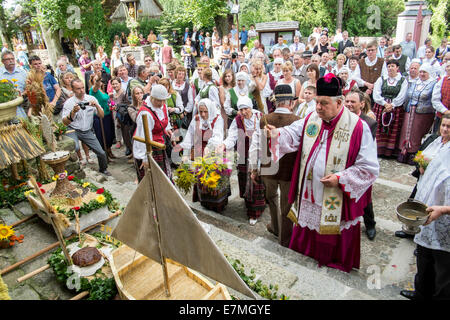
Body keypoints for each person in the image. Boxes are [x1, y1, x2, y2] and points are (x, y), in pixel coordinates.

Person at [264, 74, 379, 272]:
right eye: (317, 102)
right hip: (309, 193)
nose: (318, 108)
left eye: (324, 103)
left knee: (330, 238)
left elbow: (369, 167)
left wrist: (340, 178)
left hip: (335, 196)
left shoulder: (358, 127)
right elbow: (293, 133)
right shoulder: (312, 118)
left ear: (339, 102)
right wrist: (277, 134)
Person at [399, 115, 450, 300]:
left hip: (445, 221)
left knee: (443, 271)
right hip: (429, 212)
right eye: (444, 125)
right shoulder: (440, 144)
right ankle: (421, 293)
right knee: (424, 259)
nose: (445, 129)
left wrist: (444, 210)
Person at [249, 84, 300, 246]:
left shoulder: (265, 120)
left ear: (275, 102)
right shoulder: (299, 122)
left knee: (271, 198)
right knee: (287, 204)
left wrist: (254, 169)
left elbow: (255, 146)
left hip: (268, 168)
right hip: (289, 170)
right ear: (291, 103)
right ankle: (284, 237)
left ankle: (275, 227)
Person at [218, 96, 266, 225]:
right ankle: (251, 209)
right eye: (241, 110)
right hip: (243, 155)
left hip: (258, 155)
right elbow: (232, 136)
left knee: (257, 182)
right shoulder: (238, 120)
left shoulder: (261, 117)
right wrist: (224, 144)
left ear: (251, 107)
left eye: (246, 109)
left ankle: (257, 208)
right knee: (246, 181)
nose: (244, 112)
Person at [176, 98, 224, 211]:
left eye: (205, 111)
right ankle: (204, 201)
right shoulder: (196, 119)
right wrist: (186, 153)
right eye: (200, 111)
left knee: (213, 177)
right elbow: (190, 135)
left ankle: (216, 205)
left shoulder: (217, 119)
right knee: (200, 177)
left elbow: (217, 136)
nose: (202, 114)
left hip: (213, 151)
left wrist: (208, 149)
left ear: (210, 110)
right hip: (199, 150)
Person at [345, 90, 378, 240]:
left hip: (360, 165)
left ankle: (370, 224)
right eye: (347, 101)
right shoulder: (341, 119)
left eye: (353, 102)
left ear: (362, 104)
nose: (349, 105)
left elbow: (366, 147)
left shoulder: (369, 123)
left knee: (364, 197)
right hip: (343, 164)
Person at [62, 78, 110, 175]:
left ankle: (103, 169)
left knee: (101, 152)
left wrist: (96, 106)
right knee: (74, 147)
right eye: (78, 89)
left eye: (83, 88)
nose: (81, 90)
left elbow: (101, 115)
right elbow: (65, 122)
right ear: (73, 90)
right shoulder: (69, 103)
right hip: (73, 129)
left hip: (87, 130)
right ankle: (72, 169)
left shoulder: (90, 98)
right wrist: (73, 112)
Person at [397, 63, 438, 164]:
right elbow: (408, 95)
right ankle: (403, 153)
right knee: (406, 132)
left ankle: (414, 154)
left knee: (416, 134)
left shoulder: (433, 83)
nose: (422, 74)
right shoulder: (415, 82)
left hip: (423, 113)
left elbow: (433, 98)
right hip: (410, 111)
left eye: (424, 72)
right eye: (421, 72)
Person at [133, 84, 174, 181]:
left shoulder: (163, 105)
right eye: (159, 100)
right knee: (151, 178)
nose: (162, 103)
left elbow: (164, 119)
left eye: (163, 100)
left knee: (163, 176)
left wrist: (167, 129)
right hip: (147, 147)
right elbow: (143, 137)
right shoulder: (146, 113)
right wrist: (145, 158)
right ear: (152, 98)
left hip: (159, 144)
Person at [372, 59, 408, 157]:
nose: (390, 68)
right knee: (379, 128)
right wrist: (384, 103)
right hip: (381, 107)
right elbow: (376, 93)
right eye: (389, 66)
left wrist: (392, 105)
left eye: (393, 66)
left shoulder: (402, 80)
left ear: (397, 68)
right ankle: (377, 150)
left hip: (395, 108)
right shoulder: (381, 79)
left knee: (392, 129)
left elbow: (402, 95)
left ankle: (389, 152)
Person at [89, 72, 116, 161]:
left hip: (108, 115)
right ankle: (104, 156)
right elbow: (96, 85)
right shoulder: (93, 90)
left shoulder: (102, 90)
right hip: (100, 117)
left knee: (110, 134)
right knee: (102, 136)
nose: (99, 82)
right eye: (96, 80)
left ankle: (109, 151)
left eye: (100, 80)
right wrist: (98, 79)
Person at [0, 50, 28, 118]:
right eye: (8, 59)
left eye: (12, 59)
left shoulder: (22, 72)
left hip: (21, 106)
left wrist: (22, 94)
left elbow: (28, 88)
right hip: (5, 109)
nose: (11, 61)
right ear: (2, 61)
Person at [431, 62, 450, 134]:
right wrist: (445, 111)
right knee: (437, 138)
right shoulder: (442, 80)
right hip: (441, 117)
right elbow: (435, 100)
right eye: (448, 66)